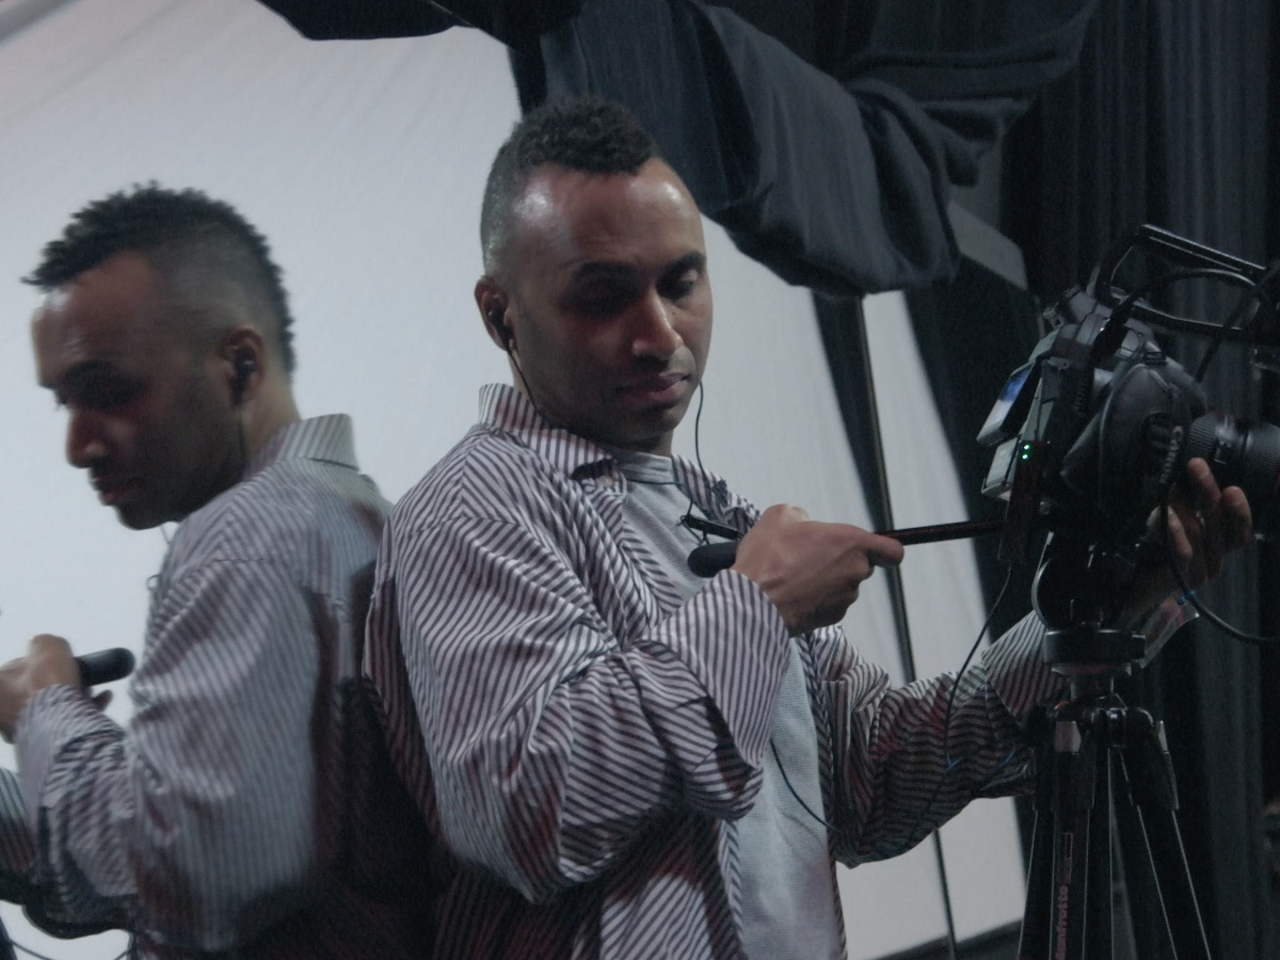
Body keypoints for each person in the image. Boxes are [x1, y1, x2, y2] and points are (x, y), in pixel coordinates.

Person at [365, 97, 1252, 960]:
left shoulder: (706, 504)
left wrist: (1091, 622)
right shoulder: (471, 509)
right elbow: (531, 813)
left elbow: (875, 776)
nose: (660, 333)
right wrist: (756, 606)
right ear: (499, 314)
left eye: (682, 281)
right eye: (602, 296)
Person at [0, 185, 431, 958]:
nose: (77, 445)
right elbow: (150, 852)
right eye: (62, 402)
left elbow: (187, 878)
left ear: (238, 365)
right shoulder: (336, 515)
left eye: (107, 392)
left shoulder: (249, 538)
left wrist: (46, 713)